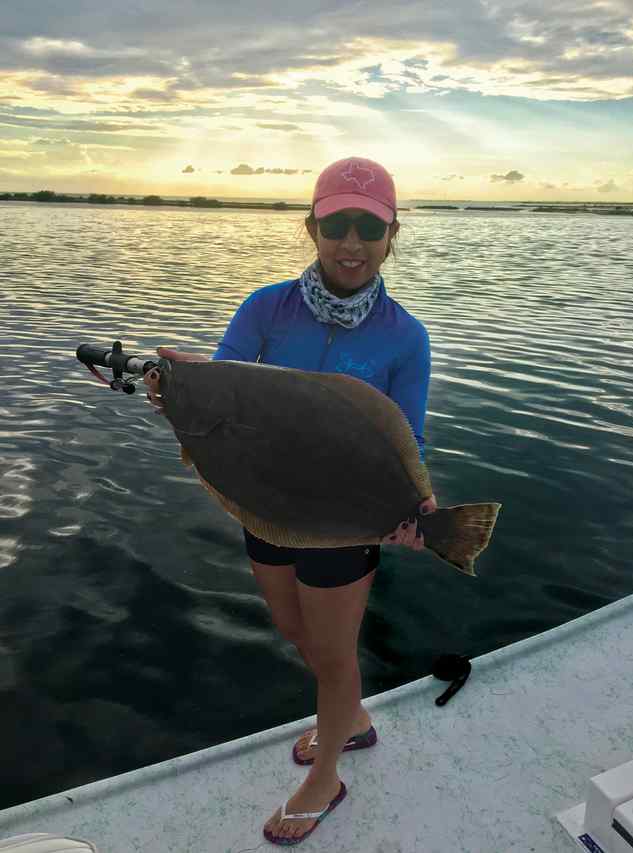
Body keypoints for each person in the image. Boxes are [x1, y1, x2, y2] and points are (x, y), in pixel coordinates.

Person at [144, 156, 437, 846]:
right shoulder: (264, 307)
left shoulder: (406, 336)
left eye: (370, 226)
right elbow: (221, 397)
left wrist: (417, 511)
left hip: (344, 524)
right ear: (312, 227)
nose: (352, 242)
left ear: (393, 234)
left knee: (334, 656)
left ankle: (327, 774)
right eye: (337, 224)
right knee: (294, 629)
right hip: (267, 503)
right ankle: (354, 717)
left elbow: (406, 439)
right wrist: (173, 392)